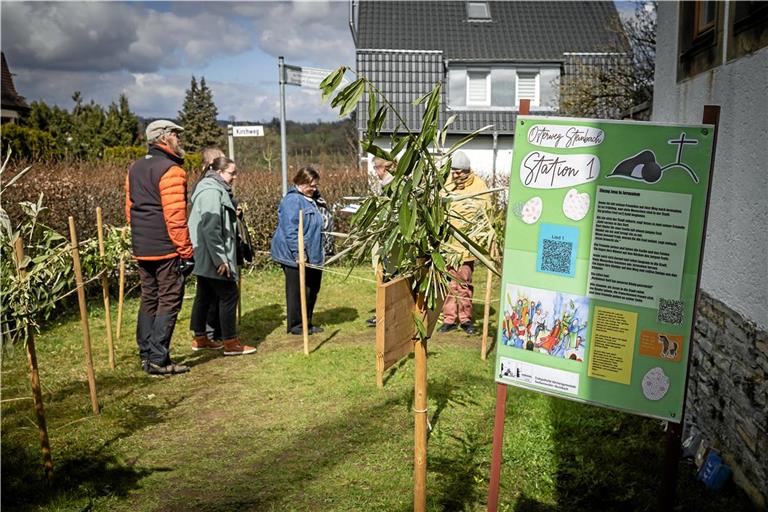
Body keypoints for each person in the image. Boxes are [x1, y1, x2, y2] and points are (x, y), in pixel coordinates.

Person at [125, 120, 193, 375]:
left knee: (149, 297)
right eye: (176, 134)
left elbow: (130, 209)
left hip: (142, 245)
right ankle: (158, 358)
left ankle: (146, 354)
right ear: (163, 138)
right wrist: (186, 251)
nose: (179, 139)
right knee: (169, 299)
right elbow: (175, 216)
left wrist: (142, 236)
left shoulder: (135, 167)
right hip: (166, 246)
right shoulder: (171, 170)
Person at [188, 157, 257, 355]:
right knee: (229, 295)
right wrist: (221, 259)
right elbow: (211, 228)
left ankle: (200, 338)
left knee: (204, 295)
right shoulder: (211, 191)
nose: (235, 177)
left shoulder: (213, 188)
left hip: (205, 253)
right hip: (213, 255)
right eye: (231, 173)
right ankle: (230, 343)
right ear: (219, 172)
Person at [438, 150, 491, 335]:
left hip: (468, 244)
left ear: (467, 171)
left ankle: (466, 318)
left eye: (459, 171)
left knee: (464, 282)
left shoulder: (479, 186)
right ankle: (449, 318)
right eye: (453, 171)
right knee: (450, 282)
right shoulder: (447, 185)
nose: (455, 174)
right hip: (449, 245)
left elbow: (486, 213)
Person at [270, 167, 325, 335]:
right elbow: (290, 230)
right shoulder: (292, 201)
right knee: (297, 291)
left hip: (314, 253)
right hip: (293, 254)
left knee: (312, 288)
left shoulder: (313, 199)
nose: (314, 189)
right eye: (311, 186)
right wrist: (299, 254)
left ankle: (307, 322)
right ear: (301, 182)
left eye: (315, 186)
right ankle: (296, 325)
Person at [366, 156, 397, 327]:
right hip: (383, 238)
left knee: (389, 277)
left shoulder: (392, 185)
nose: (375, 173)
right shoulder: (384, 185)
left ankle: (388, 315)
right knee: (385, 276)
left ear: (382, 169)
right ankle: (383, 313)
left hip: (390, 240)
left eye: (375, 169)